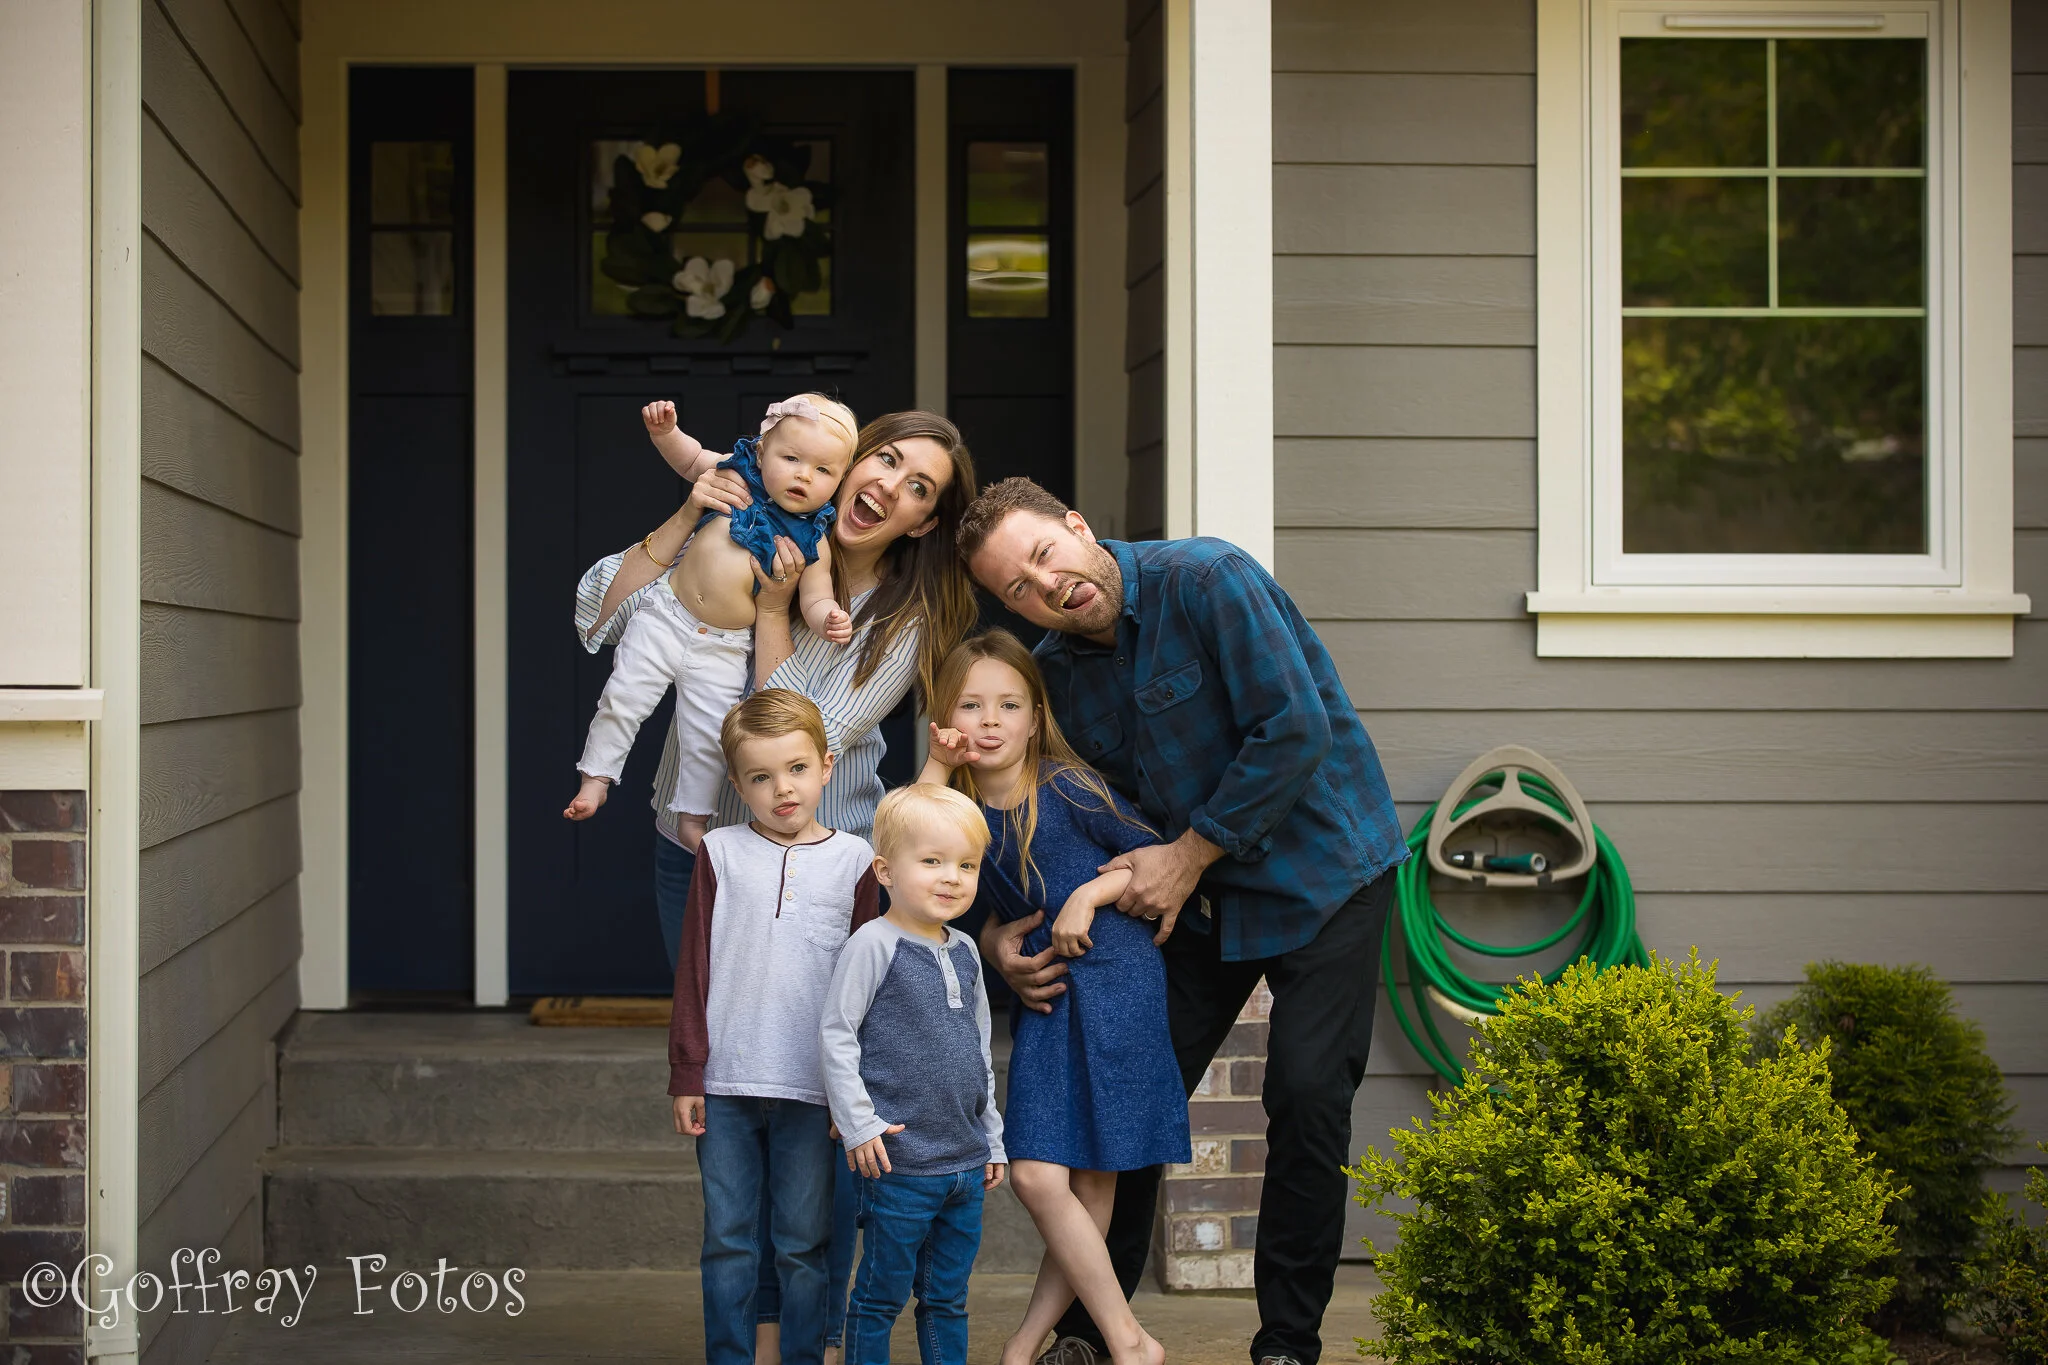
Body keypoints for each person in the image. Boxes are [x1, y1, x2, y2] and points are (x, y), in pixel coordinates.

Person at [955, 478, 1409, 1365]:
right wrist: (995, 932)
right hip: (1190, 901)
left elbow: (1292, 729)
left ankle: (1286, 1343)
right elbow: (1056, 814)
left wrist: (1192, 851)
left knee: (1309, 1096)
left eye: (1045, 555)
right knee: (1123, 1093)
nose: (1045, 586)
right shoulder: (1052, 675)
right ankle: (1090, 1337)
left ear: (1078, 528)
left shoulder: (1206, 580)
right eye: (1016, 587)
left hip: (1325, 872)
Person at [577, 410, 979, 1363]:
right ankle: (753, 1336)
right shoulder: (753, 512)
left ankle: (817, 1333)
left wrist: (764, 608)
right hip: (709, 856)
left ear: (923, 523)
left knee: (824, 1096)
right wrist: (687, 519)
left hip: (834, 875)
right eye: (886, 459)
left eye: (919, 487)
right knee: (735, 1087)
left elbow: (795, 731)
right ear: (847, 462)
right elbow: (601, 612)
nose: (890, 485)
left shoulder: (899, 616)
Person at [917, 630, 1188, 1365]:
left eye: (1009, 703)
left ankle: (1036, 1347)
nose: (991, 719)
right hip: (1047, 992)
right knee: (1042, 1174)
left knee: (1088, 1178)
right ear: (945, 717)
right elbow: (913, 846)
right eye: (970, 706)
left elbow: (1150, 858)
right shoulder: (961, 808)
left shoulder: (1065, 784)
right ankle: (1124, 1342)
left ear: (1036, 716)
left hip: (1116, 980)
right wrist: (940, 761)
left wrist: (1089, 896)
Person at [670, 689, 882, 1365]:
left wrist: (853, 1092)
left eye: (795, 768)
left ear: (826, 765)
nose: (781, 789)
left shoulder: (855, 860)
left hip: (812, 1091)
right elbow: (694, 969)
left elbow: (867, 986)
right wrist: (687, 1071)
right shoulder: (720, 853)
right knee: (729, 1238)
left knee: (802, 1243)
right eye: (760, 776)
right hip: (727, 1085)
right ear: (737, 784)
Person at [565, 393, 859, 845]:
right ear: (762, 452)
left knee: (708, 736)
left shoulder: (814, 540)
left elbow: (815, 598)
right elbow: (689, 461)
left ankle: (693, 818)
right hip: (665, 616)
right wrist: (666, 434)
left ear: (839, 482)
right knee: (623, 697)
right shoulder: (736, 473)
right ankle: (596, 779)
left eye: (823, 470)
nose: (804, 474)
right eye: (792, 458)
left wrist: (829, 618)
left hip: (724, 645)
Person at [820, 784, 1007, 1365]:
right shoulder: (873, 945)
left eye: (966, 865)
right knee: (880, 1296)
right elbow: (836, 1034)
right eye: (932, 861)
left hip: (964, 1163)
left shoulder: (968, 951)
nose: (952, 877)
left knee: (948, 1298)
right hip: (899, 1163)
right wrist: (858, 1124)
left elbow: (978, 1051)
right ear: (886, 870)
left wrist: (992, 1138)